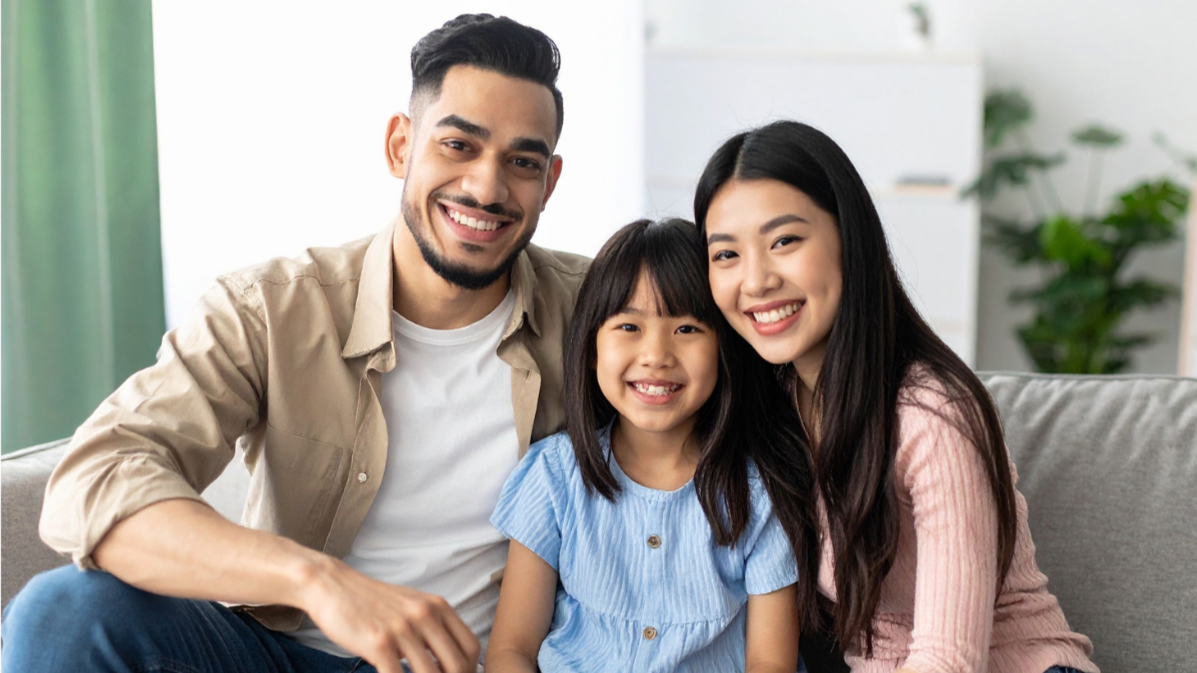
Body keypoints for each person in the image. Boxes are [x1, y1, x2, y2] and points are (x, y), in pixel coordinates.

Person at [1, 14, 588, 673]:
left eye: (522, 162)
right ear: (400, 145)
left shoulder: (600, 312)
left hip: (463, 664)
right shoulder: (273, 308)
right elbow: (94, 479)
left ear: (550, 180)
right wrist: (317, 579)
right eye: (458, 145)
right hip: (278, 652)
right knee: (62, 613)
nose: (486, 186)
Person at [693, 120, 1100, 673]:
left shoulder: (932, 414)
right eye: (726, 255)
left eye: (784, 240)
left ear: (847, 239)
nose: (756, 280)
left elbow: (949, 661)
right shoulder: (773, 405)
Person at [484, 218, 820, 673]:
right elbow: (512, 650)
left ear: (725, 348)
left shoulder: (759, 494)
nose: (656, 354)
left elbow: (770, 664)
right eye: (628, 326)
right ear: (591, 346)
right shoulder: (555, 477)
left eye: (686, 329)